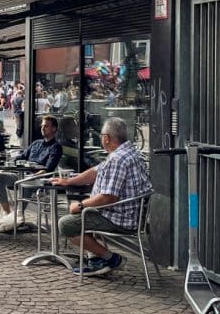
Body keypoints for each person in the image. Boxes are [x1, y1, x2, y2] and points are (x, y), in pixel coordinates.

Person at [52, 116, 153, 276]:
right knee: (84, 214)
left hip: (119, 218)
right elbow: (94, 171)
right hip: (129, 214)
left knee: (66, 224)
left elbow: (108, 198)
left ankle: (111, 258)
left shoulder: (117, 160)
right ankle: (96, 261)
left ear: (106, 138)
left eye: (101, 136)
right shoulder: (129, 152)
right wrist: (68, 181)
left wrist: (80, 205)